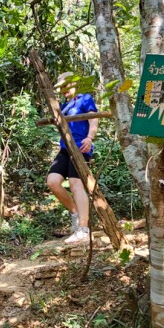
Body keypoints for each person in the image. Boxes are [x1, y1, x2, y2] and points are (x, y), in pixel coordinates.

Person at [46, 74, 98, 244]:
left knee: (76, 184)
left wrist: (90, 138)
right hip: (65, 148)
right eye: (61, 88)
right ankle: (75, 212)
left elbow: (93, 119)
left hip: (80, 148)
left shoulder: (85, 98)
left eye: (66, 87)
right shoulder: (63, 106)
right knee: (53, 182)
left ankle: (83, 228)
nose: (64, 91)